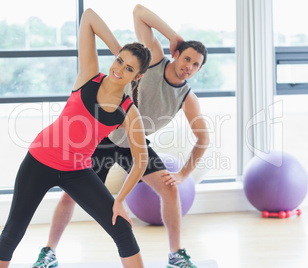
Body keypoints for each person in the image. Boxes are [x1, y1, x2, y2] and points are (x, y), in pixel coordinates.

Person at [33, 4, 209, 268]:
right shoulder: (155, 60)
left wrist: (184, 174)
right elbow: (139, 11)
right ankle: (49, 252)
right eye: (187, 59)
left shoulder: (187, 97)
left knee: (171, 191)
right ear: (177, 55)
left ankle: (176, 255)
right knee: (70, 194)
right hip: (103, 136)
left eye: (196, 65)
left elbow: (203, 139)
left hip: (133, 144)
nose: (189, 67)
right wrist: (173, 35)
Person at [0, 8, 152, 268]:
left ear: (138, 76)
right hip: (39, 161)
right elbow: (88, 16)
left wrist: (119, 200)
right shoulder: (89, 75)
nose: (120, 69)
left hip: (77, 170)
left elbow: (140, 162)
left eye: (130, 68)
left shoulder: (129, 112)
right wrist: (122, 50)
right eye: (119, 60)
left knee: (122, 228)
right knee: (12, 233)